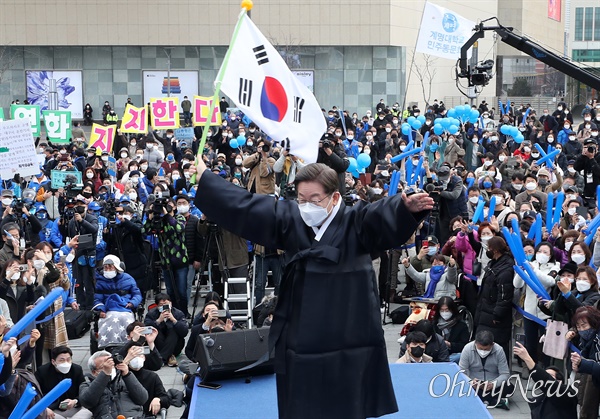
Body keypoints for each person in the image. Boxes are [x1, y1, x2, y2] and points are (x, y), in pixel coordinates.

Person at [192, 161, 434, 419]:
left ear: (335, 197)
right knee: (303, 399)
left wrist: (403, 208)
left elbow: (379, 215)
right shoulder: (291, 218)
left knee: (348, 399)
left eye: (315, 199)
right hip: (304, 329)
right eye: (301, 199)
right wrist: (208, 180)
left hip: (350, 327)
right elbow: (248, 207)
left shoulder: (356, 221)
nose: (307, 206)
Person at [513, 341, 578, 419]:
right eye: (546, 374)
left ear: (559, 381)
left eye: (550, 376)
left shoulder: (568, 395)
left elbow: (546, 381)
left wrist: (527, 358)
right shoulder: (538, 401)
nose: (545, 378)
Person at [474, 236, 515, 358]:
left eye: (489, 248)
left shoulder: (505, 269)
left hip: (494, 317)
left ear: (495, 250)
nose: (487, 250)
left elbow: (504, 296)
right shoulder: (494, 264)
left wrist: (497, 314)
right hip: (485, 311)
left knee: (496, 350)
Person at [79, 348, 148, 419]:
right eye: (104, 367)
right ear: (94, 372)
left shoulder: (125, 380)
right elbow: (87, 402)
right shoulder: (87, 385)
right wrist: (105, 374)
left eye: (111, 365)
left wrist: (127, 375)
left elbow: (142, 399)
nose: (110, 368)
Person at [35, 346, 92, 419]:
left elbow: (83, 390)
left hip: (74, 407)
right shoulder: (42, 372)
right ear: (53, 361)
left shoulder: (77, 370)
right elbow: (36, 395)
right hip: (52, 409)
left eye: (68, 359)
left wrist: (75, 401)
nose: (66, 363)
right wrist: (44, 408)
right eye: (62, 360)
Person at [459, 330, 511, 410]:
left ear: (492, 345)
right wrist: (471, 382)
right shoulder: (467, 349)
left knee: (509, 387)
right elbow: (461, 372)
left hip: (492, 383)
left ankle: (480, 400)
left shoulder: (499, 350)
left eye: (486, 349)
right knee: (460, 386)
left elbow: (505, 373)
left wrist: (494, 384)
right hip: (474, 383)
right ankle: (494, 401)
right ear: (475, 343)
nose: (483, 351)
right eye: (480, 348)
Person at [143, 293, 188, 367]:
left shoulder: (178, 313)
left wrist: (174, 320)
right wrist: (158, 321)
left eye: (166, 304)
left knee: (174, 330)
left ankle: (160, 359)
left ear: (171, 303)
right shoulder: (151, 314)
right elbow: (146, 330)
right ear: (157, 306)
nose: (164, 307)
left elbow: (184, 332)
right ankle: (169, 357)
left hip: (175, 345)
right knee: (155, 331)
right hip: (158, 345)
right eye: (161, 305)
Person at [433, 296, 470, 363]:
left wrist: (450, 345)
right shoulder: (435, 324)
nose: (444, 313)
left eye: (447, 310)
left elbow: (464, 345)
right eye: (442, 310)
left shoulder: (461, 325)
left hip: (453, 354)